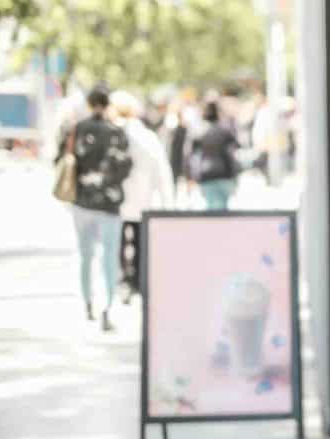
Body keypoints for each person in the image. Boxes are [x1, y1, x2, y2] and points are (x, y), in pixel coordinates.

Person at [57, 85, 133, 331]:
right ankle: (107, 307)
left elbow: (61, 160)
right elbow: (125, 167)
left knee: (85, 255)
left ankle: (87, 302)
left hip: (82, 201)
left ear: (89, 104)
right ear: (107, 104)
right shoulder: (116, 132)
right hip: (109, 203)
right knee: (109, 257)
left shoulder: (77, 129)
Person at [109, 90, 174, 303]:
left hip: (116, 200)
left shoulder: (112, 134)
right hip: (143, 199)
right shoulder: (147, 136)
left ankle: (122, 280)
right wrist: (167, 201)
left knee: (117, 241)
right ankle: (136, 281)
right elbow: (161, 171)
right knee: (139, 241)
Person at [190, 101, 239, 210]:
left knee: (213, 209)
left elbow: (193, 156)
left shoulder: (200, 132)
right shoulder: (225, 131)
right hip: (224, 174)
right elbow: (232, 154)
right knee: (221, 210)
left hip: (207, 175)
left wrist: (192, 175)